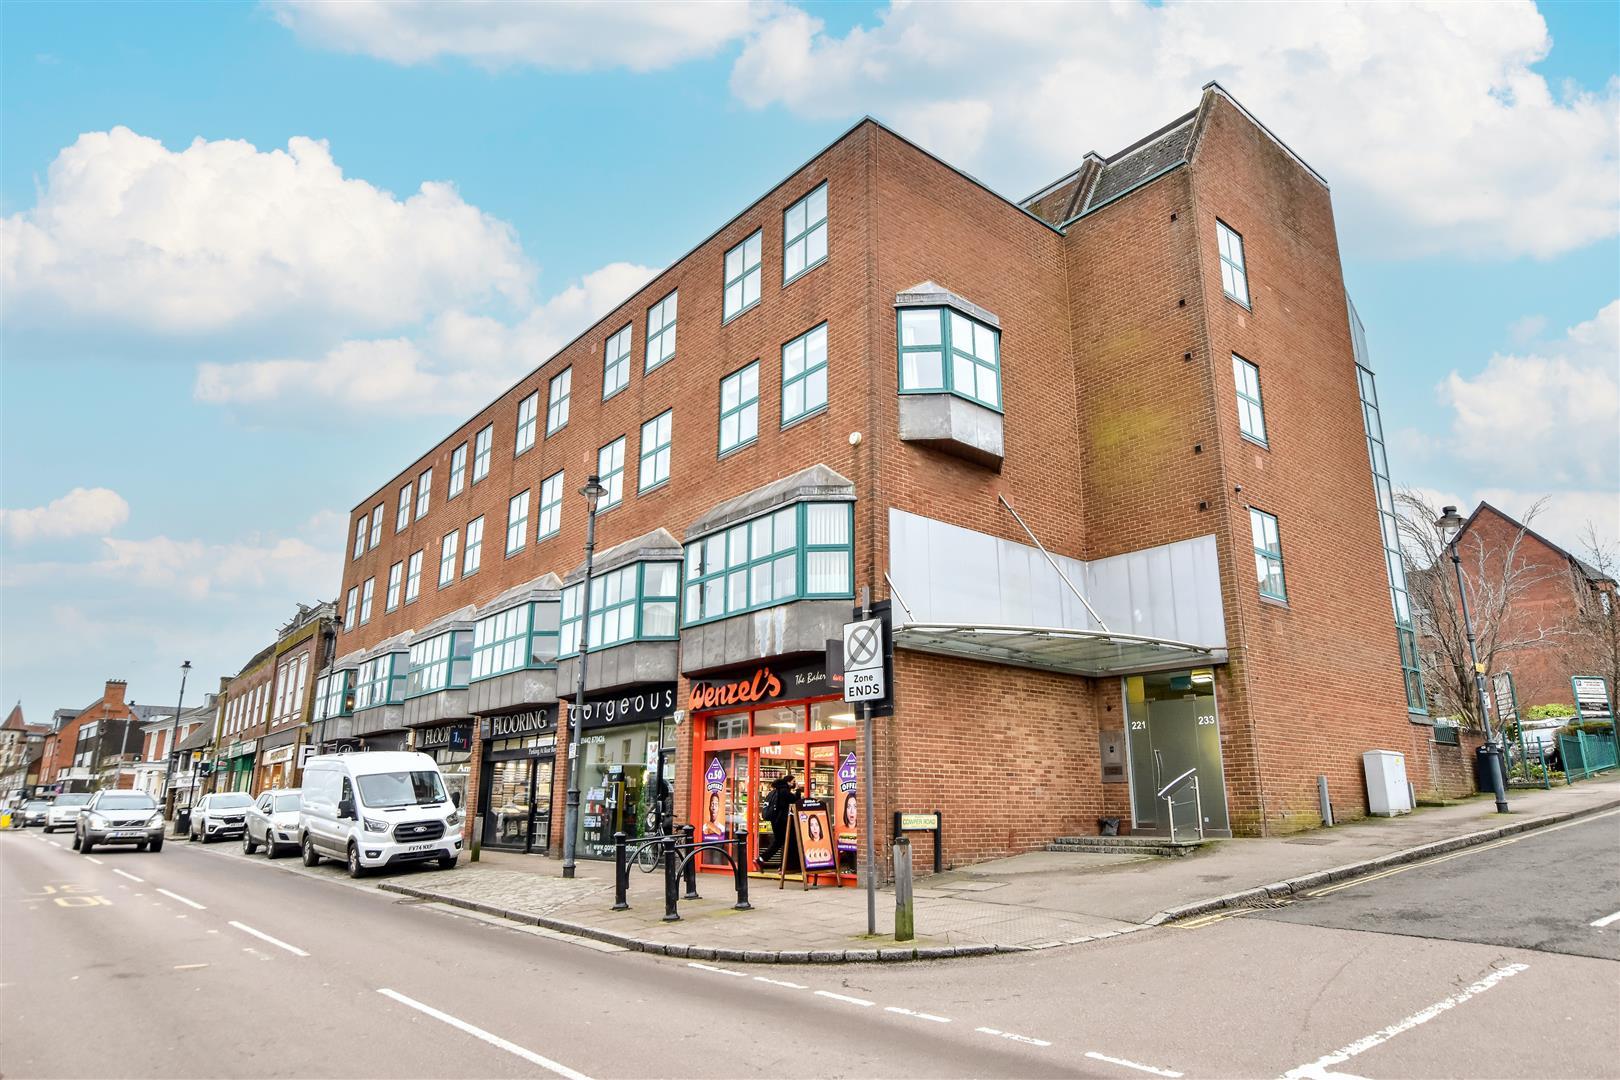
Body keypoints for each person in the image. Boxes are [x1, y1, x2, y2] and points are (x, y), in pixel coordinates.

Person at [755, 774, 800, 870]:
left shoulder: (774, 792)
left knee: (779, 842)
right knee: (789, 842)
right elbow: (796, 801)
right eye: (793, 782)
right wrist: (798, 791)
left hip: (775, 821)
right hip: (782, 822)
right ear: (788, 782)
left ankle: (763, 859)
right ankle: (786, 866)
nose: (794, 783)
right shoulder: (784, 792)